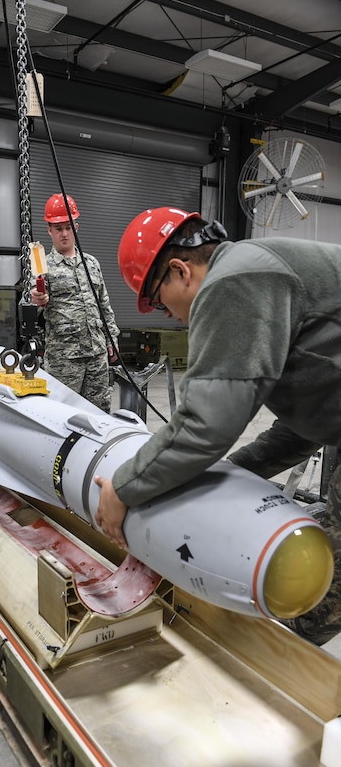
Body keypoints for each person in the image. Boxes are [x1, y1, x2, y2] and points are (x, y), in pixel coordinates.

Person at [94, 206, 341, 646]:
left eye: (155, 300)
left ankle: (288, 692)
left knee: (321, 601)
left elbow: (204, 425)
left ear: (179, 270)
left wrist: (123, 487)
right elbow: (305, 425)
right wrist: (231, 472)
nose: (165, 315)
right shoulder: (255, 271)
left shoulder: (234, 283)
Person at [30, 193, 119, 412]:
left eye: (68, 227)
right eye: (58, 228)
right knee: (61, 414)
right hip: (64, 358)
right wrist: (38, 300)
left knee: (99, 413)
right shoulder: (42, 264)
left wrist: (111, 338)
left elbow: (104, 305)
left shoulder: (91, 263)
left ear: (76, 227)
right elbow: (34, 301)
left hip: (97, 354)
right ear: (49, 230)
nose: (64, 234)